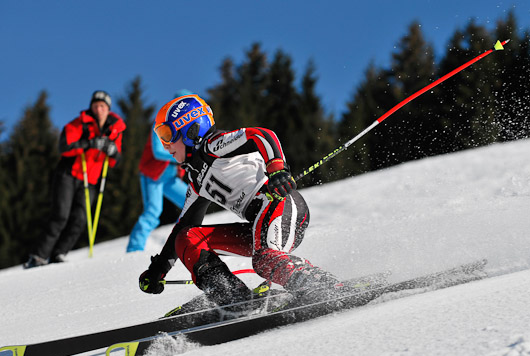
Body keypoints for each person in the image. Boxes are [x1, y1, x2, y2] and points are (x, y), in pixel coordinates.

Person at [138, 94, 342, 307]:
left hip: (280, 203)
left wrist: (276, 169)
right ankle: (232, 297)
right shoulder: (196, 179)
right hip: (257, 225)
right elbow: (183, 226)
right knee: (187, 237)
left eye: (167, 134)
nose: (165, 145)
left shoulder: (213, 146)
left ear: (190, 129)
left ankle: (320, 284)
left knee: (265, 259)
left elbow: (260, 135)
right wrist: (157, 270)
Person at [24, 90, 126, 268]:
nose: (99, 109)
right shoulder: (79, 124)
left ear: (108, 109)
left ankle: (59, 253)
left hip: (91, 180)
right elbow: (64, 147)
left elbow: (116, 160)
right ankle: (38, 256)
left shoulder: (115, 129)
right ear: (91, 107)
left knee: (81, 219)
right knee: (60, 216)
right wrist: (88, 144)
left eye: (102, 106)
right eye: (96, 106)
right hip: (69, 174)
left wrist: (113, 152)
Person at [126, 90, 191, 253]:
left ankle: (181, 241)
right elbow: (157, 151)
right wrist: (182, 156)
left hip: (170, 177)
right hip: (153, 175)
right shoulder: (160, 124)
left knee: (190, 203)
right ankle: (134, 249)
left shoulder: (186, 129)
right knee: (153, 211)